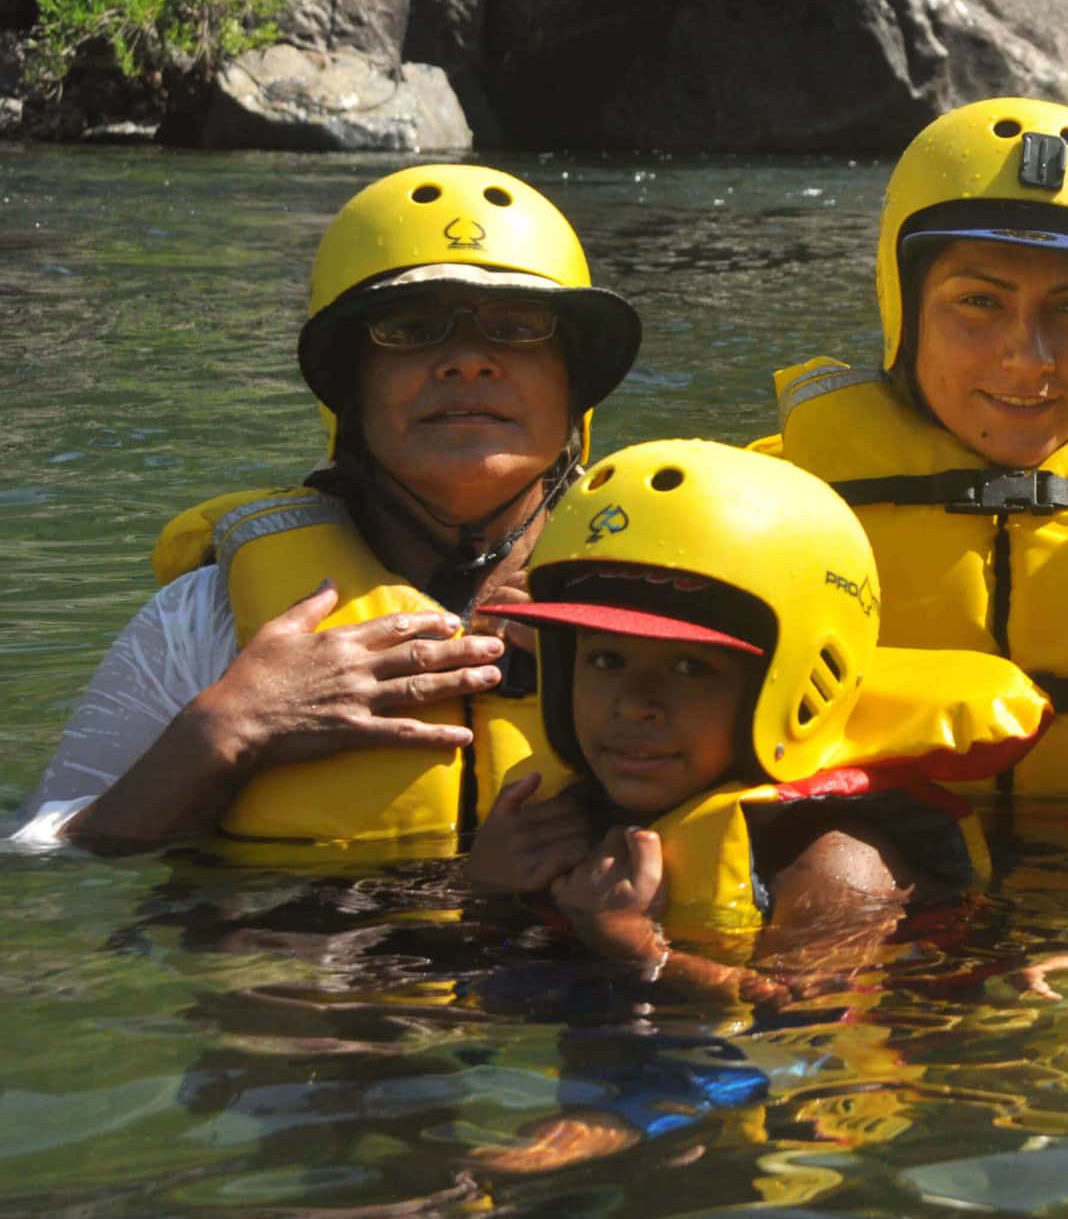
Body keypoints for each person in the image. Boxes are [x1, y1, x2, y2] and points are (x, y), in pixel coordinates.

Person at [13, 165, 640, 856]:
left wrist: (616, 669)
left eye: (520, 327)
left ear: (573, 389)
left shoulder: (657, 603)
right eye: (411, 327)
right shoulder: (209, 619)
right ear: (350, 389)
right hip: (291, 953)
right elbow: (48, 859)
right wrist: (231, 728)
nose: (467, 362)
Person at [469, 439, 1048, 1172]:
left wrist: (633, 946)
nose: (633, 705)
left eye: (690, 668)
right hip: (631, 1037)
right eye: (604, 660)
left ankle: (561, 1154)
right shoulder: (568, 810)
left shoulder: (838, 857)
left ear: (794, 680)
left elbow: (802, 1026)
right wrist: (486, 886)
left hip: (779, 1121)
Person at [763, 98, 1068, 814]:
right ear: (903, 305)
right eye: (979, 302)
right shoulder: (773, 502)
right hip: (886, 877)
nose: (1027, 360)